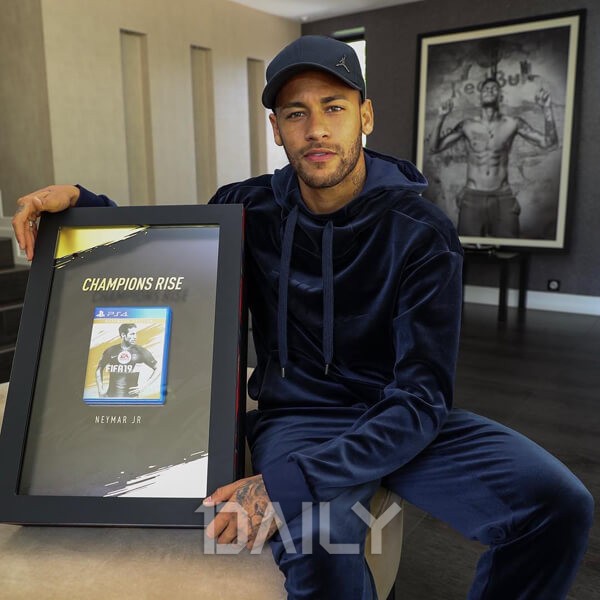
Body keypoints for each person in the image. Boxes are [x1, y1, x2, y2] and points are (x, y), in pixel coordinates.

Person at [12, 35, 592, 600]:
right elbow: (172, 254)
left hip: (400, 416)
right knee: (321, 543)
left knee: (559, 505)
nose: (316, 129)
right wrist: (84, 207)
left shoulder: (422, 233)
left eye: (333, 107)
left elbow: (422, 398)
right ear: (277, 129)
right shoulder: (246, 208)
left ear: (365, 117)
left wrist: (283, 484)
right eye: (296, 113)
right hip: (300, 417)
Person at [429, 77, 558, 238]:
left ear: (500, 97)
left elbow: (549, 143)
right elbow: (434, 148)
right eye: (485, 88)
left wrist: (547, 109)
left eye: (494, 88)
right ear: (480, 97)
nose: (489, 90)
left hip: (503, 197)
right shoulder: (467, 125)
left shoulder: (513, 123)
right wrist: (441, 117)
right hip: (472, 197)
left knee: (510, 249)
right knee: (466, 250)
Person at [95, 323, 160, 398]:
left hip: (132, 399)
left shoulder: (141, 351)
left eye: (135, 334)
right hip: (111, 397)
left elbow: (158, 369)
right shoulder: (110, 350)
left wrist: (143, 387)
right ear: (123, 335)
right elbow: (99, 369)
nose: (135, 337)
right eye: (132, 334)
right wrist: (100, 391)